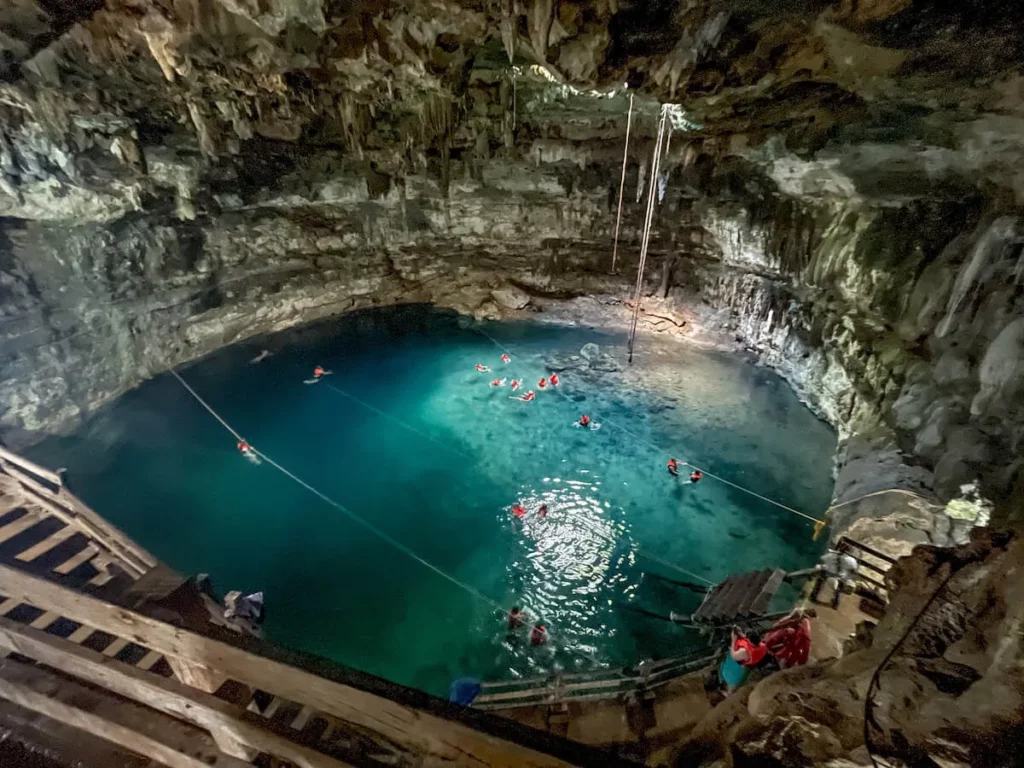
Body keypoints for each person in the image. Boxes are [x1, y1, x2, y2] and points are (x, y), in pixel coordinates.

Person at [810, 542, 858, 609]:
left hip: (830, 574)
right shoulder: (851, 560)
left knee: (820, 580)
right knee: (838, 588)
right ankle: (835, 604)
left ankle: (813, 596)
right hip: (839, 577)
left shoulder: (833, 555)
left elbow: (824, 560)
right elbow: (853, 570)